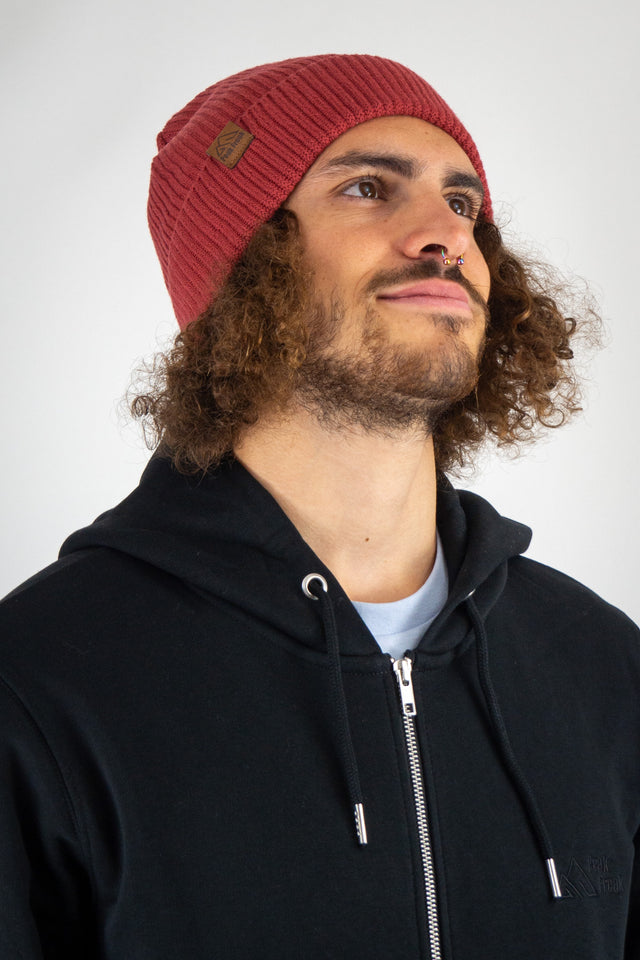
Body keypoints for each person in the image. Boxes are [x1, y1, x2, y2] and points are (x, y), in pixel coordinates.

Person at [0, 53, 638, 960]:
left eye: (463, 203)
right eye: (368, 188)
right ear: (245, 271)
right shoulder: (42, 680)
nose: (445, 236)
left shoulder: (601, 665)